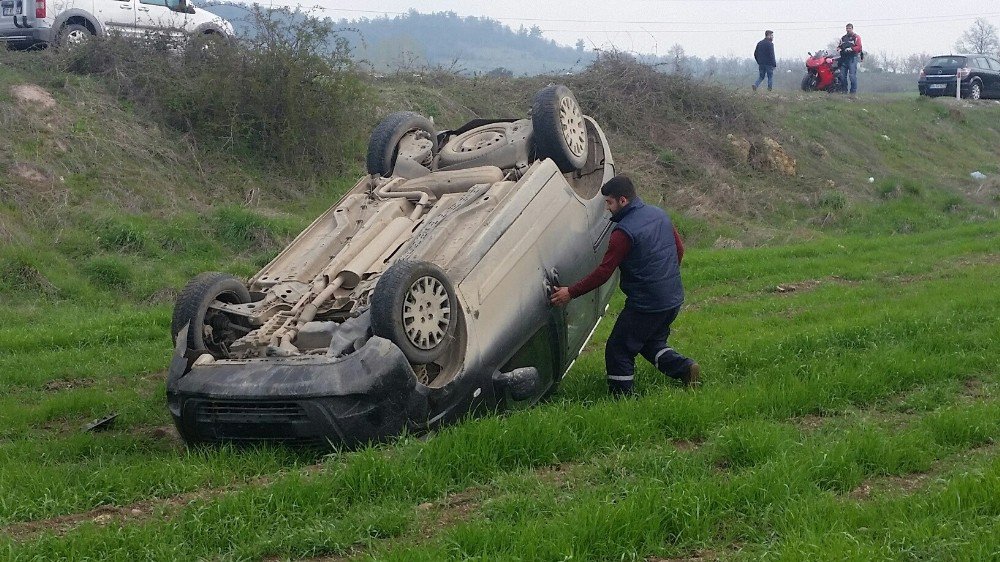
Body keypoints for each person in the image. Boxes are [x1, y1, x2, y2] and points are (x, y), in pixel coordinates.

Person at [550, 175, 700, 396]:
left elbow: (604, 273)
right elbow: (679, 249)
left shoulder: (623, 233)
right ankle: (686, 369)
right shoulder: (659, 215)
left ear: (622, 201)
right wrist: (664, 278)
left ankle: (622, 398)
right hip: (673, 298)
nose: (607, 208)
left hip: (646, 305)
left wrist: (570, 292)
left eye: (609, 202)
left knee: (618, 348)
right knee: (649, 342)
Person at [838, 23, 863, 95]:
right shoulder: (843, 38)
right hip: (843, 58)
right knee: (842, 76)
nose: (848, 30)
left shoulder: (856, 37)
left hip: (852, 58)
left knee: (852, 76)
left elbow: (859, 47)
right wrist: (838, 49)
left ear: (852, 29)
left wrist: (851, 49)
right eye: (847, 28)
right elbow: (839, 46)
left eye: (849, 28)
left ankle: (853, 93)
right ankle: (844, 91)